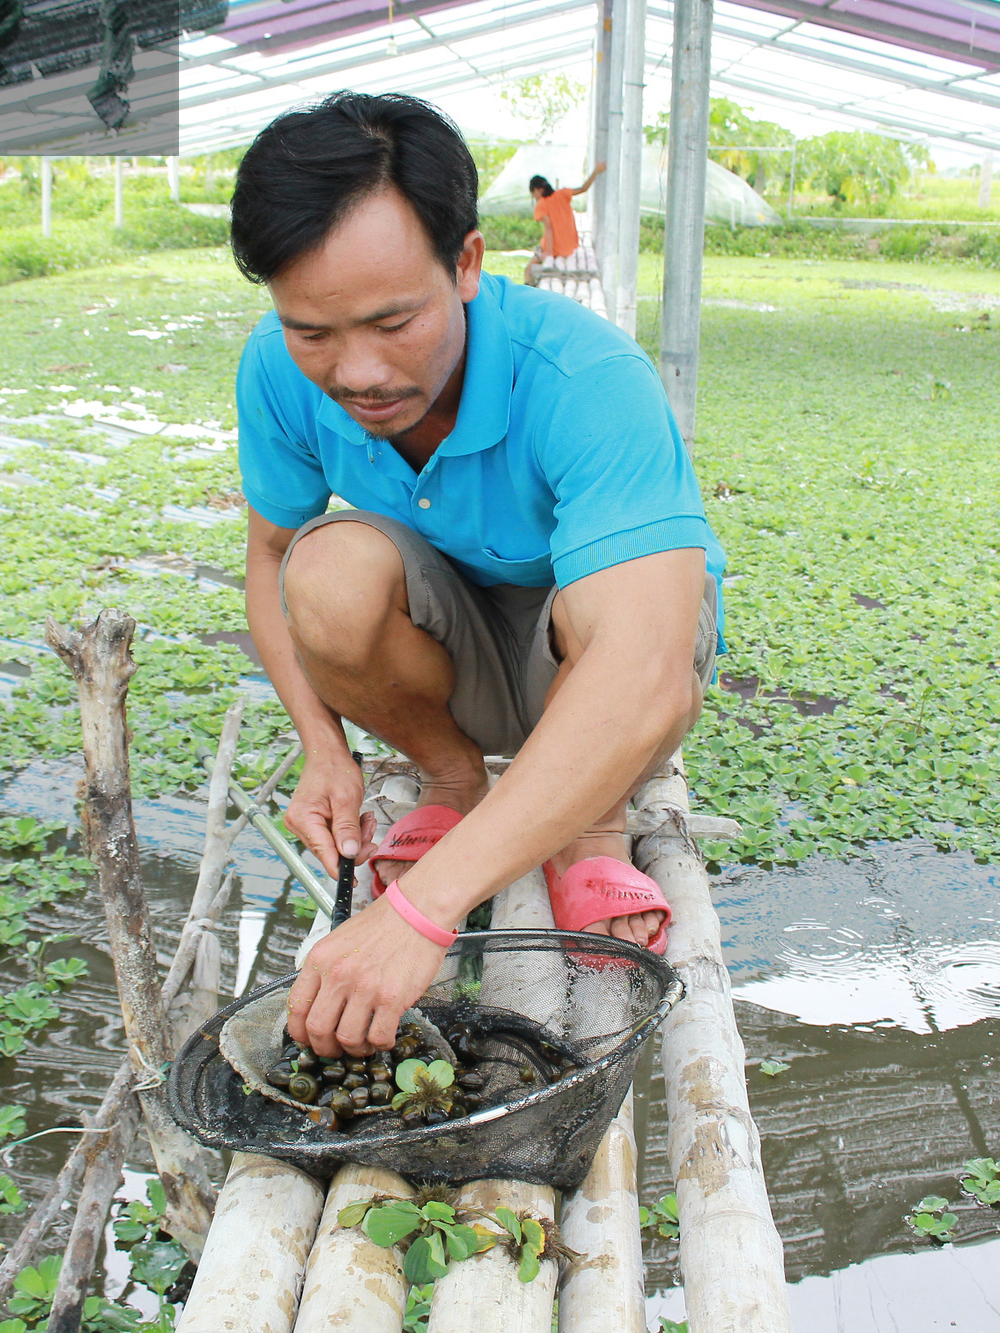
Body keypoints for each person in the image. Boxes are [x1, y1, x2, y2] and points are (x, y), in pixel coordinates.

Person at [229, 92, 725, 1059]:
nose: (357, 372)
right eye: (313, 331)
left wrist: (422, 913)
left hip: (588, 658)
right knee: (326, 569)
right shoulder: (276, 370)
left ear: (466, 263)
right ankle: (450, 774)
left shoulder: (585, 376)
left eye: (392, 321)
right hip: (452, 659)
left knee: (611, 607)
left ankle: (589, 822)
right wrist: (324, 751)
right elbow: (271, 557)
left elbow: (648, 667)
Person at [524, 163, 604, 285]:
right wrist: (596, 171)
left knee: (528, 271)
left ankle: (528, 295)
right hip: (570, 246)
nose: (535, 198)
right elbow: (583, 188)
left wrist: (548, 253)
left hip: (553, 249)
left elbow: (549, 229)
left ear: (537, 190)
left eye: (534, 195)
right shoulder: (563, 194)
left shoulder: (541, 205)